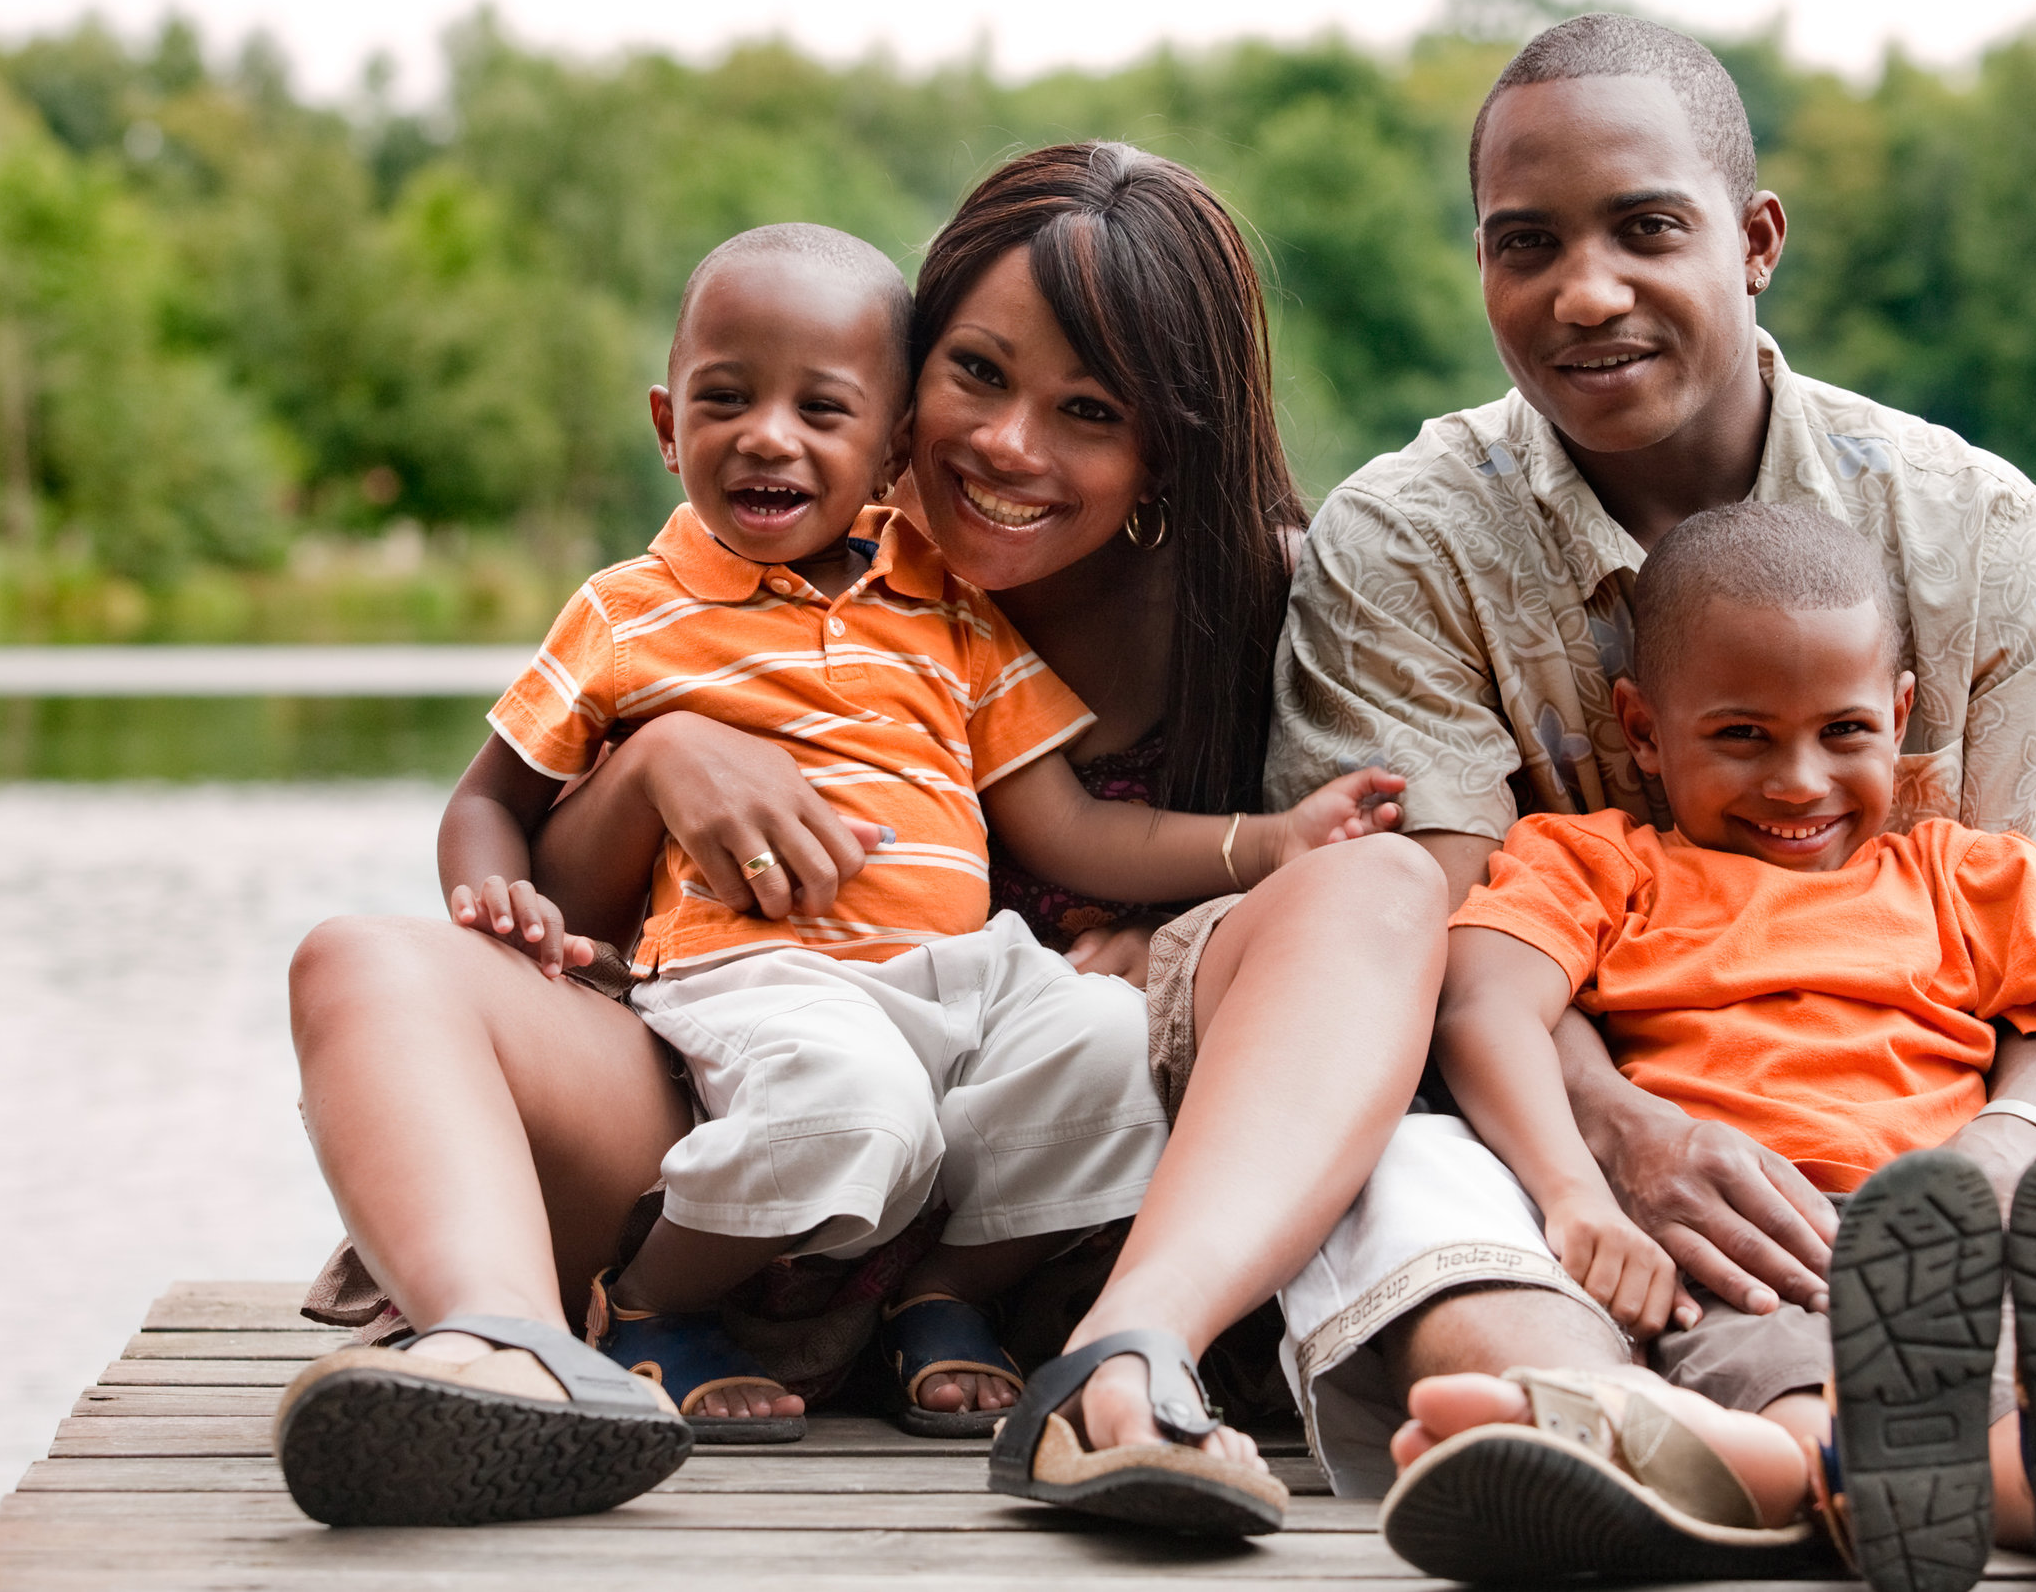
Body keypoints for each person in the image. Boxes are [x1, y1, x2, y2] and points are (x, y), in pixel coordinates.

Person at [1264, 10, 2036, 1578]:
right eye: (1524, 243)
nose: (1584, 291)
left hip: (1958, 1137)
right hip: (1590, 1131)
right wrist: (1615, 1140)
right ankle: (1607, 1431)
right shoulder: (1404, 542)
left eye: (1647, 229)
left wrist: (2010, 1167)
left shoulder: (1980, 537)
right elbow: (1435, 954)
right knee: (1391, 1150)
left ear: (1754, 241)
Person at [280, 146, 1452, 1533]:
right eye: (976, 373)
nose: (1008, 443)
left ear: (1167, 441)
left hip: (1038, 1160)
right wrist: (657, 767)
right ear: (907, 387)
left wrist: (1213, 906)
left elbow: (1246, 875)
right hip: (736, 1113)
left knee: (1376, 880)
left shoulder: (1279, 606)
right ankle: (505, 1345)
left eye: (1087, 408)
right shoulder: (745, 567)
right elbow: (551, 886)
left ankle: (1125, 1361)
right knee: (361, 958)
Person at [1379, 500, 2036, 1592]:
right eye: (1740, 734)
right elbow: (1481, 1004)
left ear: (1900, 711)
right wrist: (1573, 1193)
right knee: (1789, 1381)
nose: (1797, 781)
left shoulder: (1967, 876)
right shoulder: (1597, 863)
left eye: (1844, 731)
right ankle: (1820, 1462)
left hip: (1957, 1241)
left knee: (2017, 1403)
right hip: (1745, 1243)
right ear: (1641, 730)